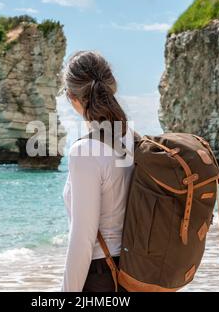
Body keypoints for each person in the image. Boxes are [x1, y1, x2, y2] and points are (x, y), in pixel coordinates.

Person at [60, 50, 135, 292]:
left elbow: (83, 239)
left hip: (102, 276)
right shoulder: (132, 138)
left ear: (72, 97)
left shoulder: (86, 151)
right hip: (135, 273)